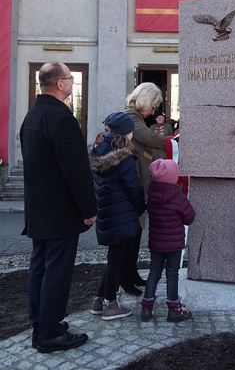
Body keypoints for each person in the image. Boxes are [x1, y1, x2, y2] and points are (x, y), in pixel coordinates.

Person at [20, 62, 96, 354]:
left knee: (39, 266)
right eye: (70, 79)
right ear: (60, 84)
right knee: (57, 272)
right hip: (60, 210)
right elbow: (75, 170)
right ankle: (50, 334)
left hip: (39, 209)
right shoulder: (61, 119)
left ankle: (41, 325)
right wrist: (88, 208)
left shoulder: (33, 115)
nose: (72, 84)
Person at [120, 82, 177, 294]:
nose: (154, 112)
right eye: (153, 106)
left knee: (136, 232)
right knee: (130, 234)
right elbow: (147, 138)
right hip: (132, 182)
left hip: (137, 181)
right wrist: (172, 143)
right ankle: (124, 277)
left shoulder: (135, 117)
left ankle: (131, 273)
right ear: (144, 100)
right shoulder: (131, 117)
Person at [89, 112, 146, 320]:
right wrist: (141, 207)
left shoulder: (98, 151)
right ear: (125, 133)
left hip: (107, 211)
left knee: (116, 255)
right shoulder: (123, 157)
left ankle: (99, 298)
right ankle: (109, 303)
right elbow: (133, 186)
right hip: (121, 213)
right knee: (116, 258)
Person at [141, 158, 195, 323]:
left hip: (156, 242)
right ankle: (173, 310)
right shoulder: (177, 196)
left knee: (154, 272)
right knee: (172, 274)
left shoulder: (152, 193)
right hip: (173, 244)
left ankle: (146, 308)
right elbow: (190, 217)